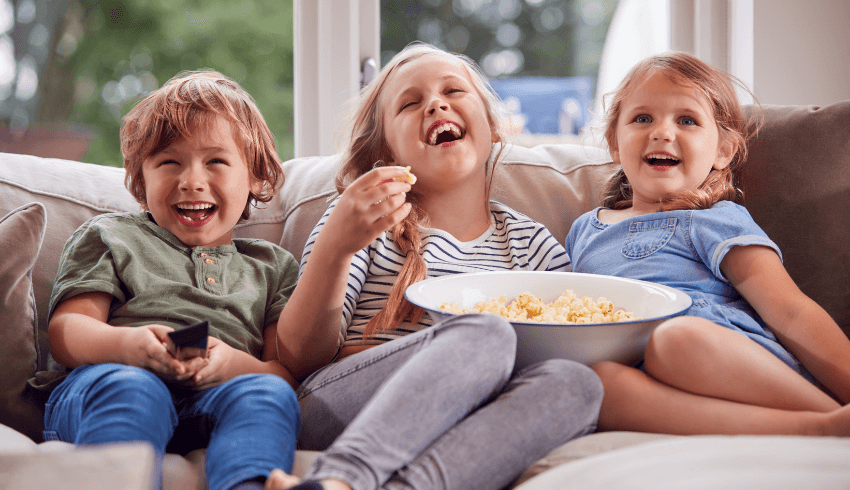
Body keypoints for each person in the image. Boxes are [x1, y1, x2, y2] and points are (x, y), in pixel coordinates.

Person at [274, 43, 603, 490]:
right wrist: (337, 247)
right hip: (344, 406)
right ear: (384, 151)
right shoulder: (361, 224)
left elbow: (563, 347)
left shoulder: (530, 243)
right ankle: (341, 477)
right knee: (484, 331)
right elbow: (298, 356)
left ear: (492, 127)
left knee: (578, 383)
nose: (435, 103)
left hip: (476, 411)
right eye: (410, 103)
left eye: (453, 90)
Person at [564, 51, 850, 436]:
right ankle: (818, 428)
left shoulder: (714, 219)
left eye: (687, 120)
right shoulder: (584, 229)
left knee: (675, 339)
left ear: (722, 152)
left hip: (720, 356)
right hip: (648, 378)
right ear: (615, 143)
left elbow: (790, 311)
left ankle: (835, 413)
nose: (662, 132)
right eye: (642, 118)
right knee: (595, 384)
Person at [44, 70, 302, 490]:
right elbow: (66, 332)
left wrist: (232, 366)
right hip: (108, 388)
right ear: (140, 179)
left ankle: (249, 483)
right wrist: (128, 346)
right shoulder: (112, 235)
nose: (191, 181)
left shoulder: (273, 267)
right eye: (169, 162)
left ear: (256, 176)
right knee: (133, 389)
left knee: (267, 396)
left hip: (215, 399)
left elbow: (283, 374)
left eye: (216, 161)